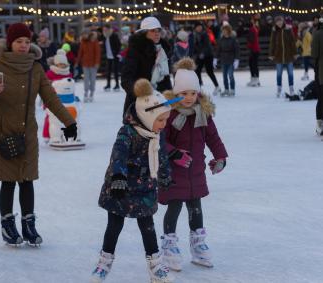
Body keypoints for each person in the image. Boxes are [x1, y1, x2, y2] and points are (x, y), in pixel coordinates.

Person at [0, 23, 77, 247]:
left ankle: (29, 224)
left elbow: (51, 98)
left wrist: (69, 122)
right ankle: (7, 224)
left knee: (27, 180)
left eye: (26, 41)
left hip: (27, 133)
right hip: (3, 133)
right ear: (10, 43)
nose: (23, 45)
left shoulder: (35, 68)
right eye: (18, 41)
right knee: (9, 182)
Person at [91, 79, 175, 283]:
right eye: (160, 120)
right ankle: (104, 263)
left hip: (145, 188)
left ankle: (155, 266)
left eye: (166, 120)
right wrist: (117, 177)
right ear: (147, 116)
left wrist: (164, 175)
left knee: (148, 227)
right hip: (122, 187)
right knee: (114, 226)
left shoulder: (156, 135)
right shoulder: (128, 132)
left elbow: (161, 156)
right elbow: (118, 155)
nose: (164, 125)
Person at [158, 58, 228, 270]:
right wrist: (174, 154)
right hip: (173, 171)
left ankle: (198, 245)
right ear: (176, 93)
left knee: (195, 207)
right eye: (183, 93)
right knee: (175, 206)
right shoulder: (168, 114)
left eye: (192, 93)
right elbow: (159, 140)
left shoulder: (202, 113)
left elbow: (213, 137)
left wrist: (221, 157)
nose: (188, 98)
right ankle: (169, 246)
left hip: (195, 170)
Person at [121, 16, 172, 115]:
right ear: (144, 33)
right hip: (139, 104)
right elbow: (126, 79)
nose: (157, 33)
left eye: (158, 30)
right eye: (152, 31)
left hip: (159, 102)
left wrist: (169, 94)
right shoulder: (136, 51)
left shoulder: (162, 51)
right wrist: (141, 93)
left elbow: (164, 77)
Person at [42, 49, 73, 143]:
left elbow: (70, 86)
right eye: (60, 64)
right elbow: (45, 86)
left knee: (66, 117)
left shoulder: (68, 73)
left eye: (64, 64)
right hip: (52, 99)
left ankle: (64, 134)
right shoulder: (50, 73)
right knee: (50, 118)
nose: (62, 66)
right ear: (56, 64)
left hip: (65, 100)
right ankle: (47, 135)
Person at [269, 16, 298, 98]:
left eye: (280, 21)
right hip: (278, 55)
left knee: (290, 73)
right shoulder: (274, 31)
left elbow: (292, 42)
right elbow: (272, 43)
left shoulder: (288, 29)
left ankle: (291, 88)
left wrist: (295, 53)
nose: (279, 23)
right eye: (277, 22)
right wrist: (271, 54)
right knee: (279, 74)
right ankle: (279, 88)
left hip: (288, 55)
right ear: (276, 23)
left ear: (283, 21)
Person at [192, 22, 221, 96]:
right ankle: (199, 87)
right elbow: (195, 46)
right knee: (197, 70)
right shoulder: (195, 35)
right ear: (195, 28)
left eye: (200, 26)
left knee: (209, 71)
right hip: (200, 56)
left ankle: (217, 86)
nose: (199, 28)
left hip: (208, 55)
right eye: (197, 27)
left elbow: (207, 45)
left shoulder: (204, 34)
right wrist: (196, 54)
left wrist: (203, 53)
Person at [214, 24, 240, 96]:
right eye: (223, 31)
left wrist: (236, 59)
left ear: (228, 31)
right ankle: (226, 89)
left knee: (230, 75)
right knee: (224, 76)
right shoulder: (221, 40)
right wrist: (215, 58)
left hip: (231, 60)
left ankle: (232, 89)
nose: (224, 32)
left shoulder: (233, 39)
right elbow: (218, 50)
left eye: (225, 30)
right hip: (223, 60)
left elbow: (237, 50)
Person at [77, 30, 101, 102]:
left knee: (92, 79)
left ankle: (92, 93)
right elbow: (80, 53)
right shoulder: (83, 42)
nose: (84, 36)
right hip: (85, 63)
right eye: (83, 35)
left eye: (85, 34)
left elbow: (97, 53)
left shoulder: (94, 41)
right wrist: (77, 62)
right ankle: (86, 93)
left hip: (93, 64)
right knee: (86, 79)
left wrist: (97, 62)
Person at [311, 17, 323, 136]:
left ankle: (320, 124)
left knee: (321, 100)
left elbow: (314, 54)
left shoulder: (318, 34)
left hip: (321, 72)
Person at [103, 24, 122, 92]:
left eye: (105, 29)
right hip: (108, 56)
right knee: (108, 71)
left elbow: (119, 45)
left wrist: (116, 53)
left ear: (108, 29)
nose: (104, 30)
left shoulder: (114, 35)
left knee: (115, 71)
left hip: (114, 56)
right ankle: (108, 85)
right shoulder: (105, 36)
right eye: (104, 29)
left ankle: (117, 85)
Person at [247, 18, 261, 87]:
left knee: (254, 65)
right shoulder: (254, 29)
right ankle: (254, 79)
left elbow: (251, 39)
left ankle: (256, 80)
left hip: (254, 49)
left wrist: (248, 43)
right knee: (252, 64)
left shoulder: (253, 29)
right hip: (254, 49)